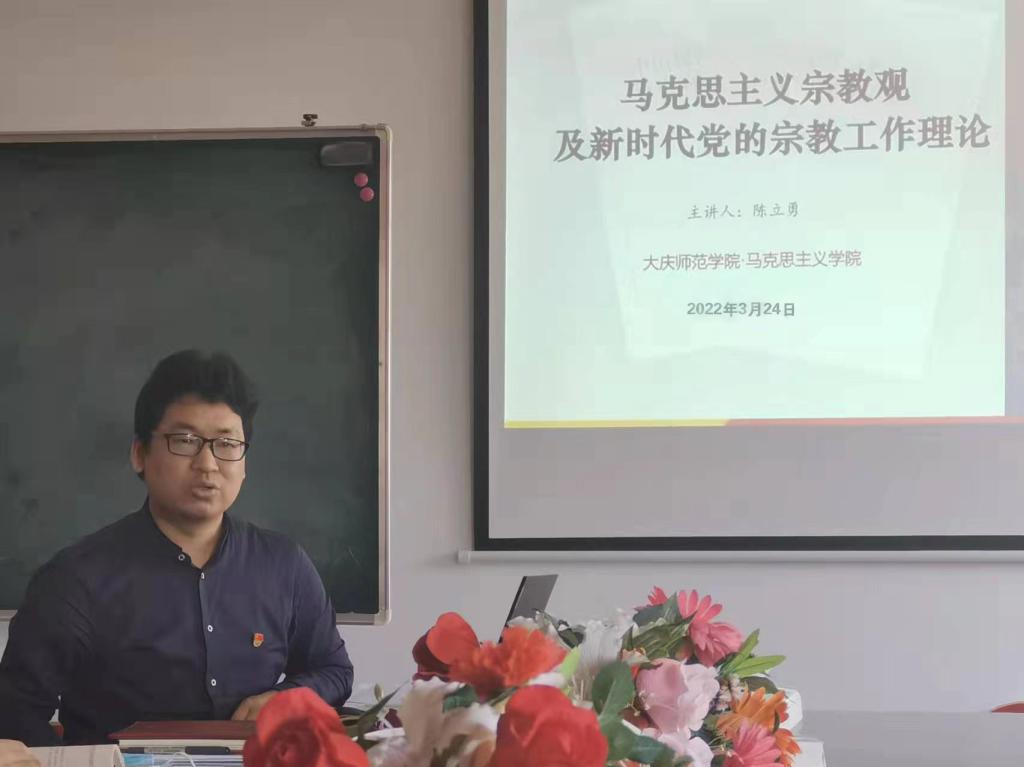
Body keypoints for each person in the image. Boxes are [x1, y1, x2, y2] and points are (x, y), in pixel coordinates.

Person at [0, 351, 353, 745]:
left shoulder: (283, 565)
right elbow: (14, 712)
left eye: (227, 443)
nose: (208, 464)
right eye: (185, 441)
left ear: (244, 462)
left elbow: (334, 671)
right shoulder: (75, 579)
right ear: (140, 454)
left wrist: (288, 698)